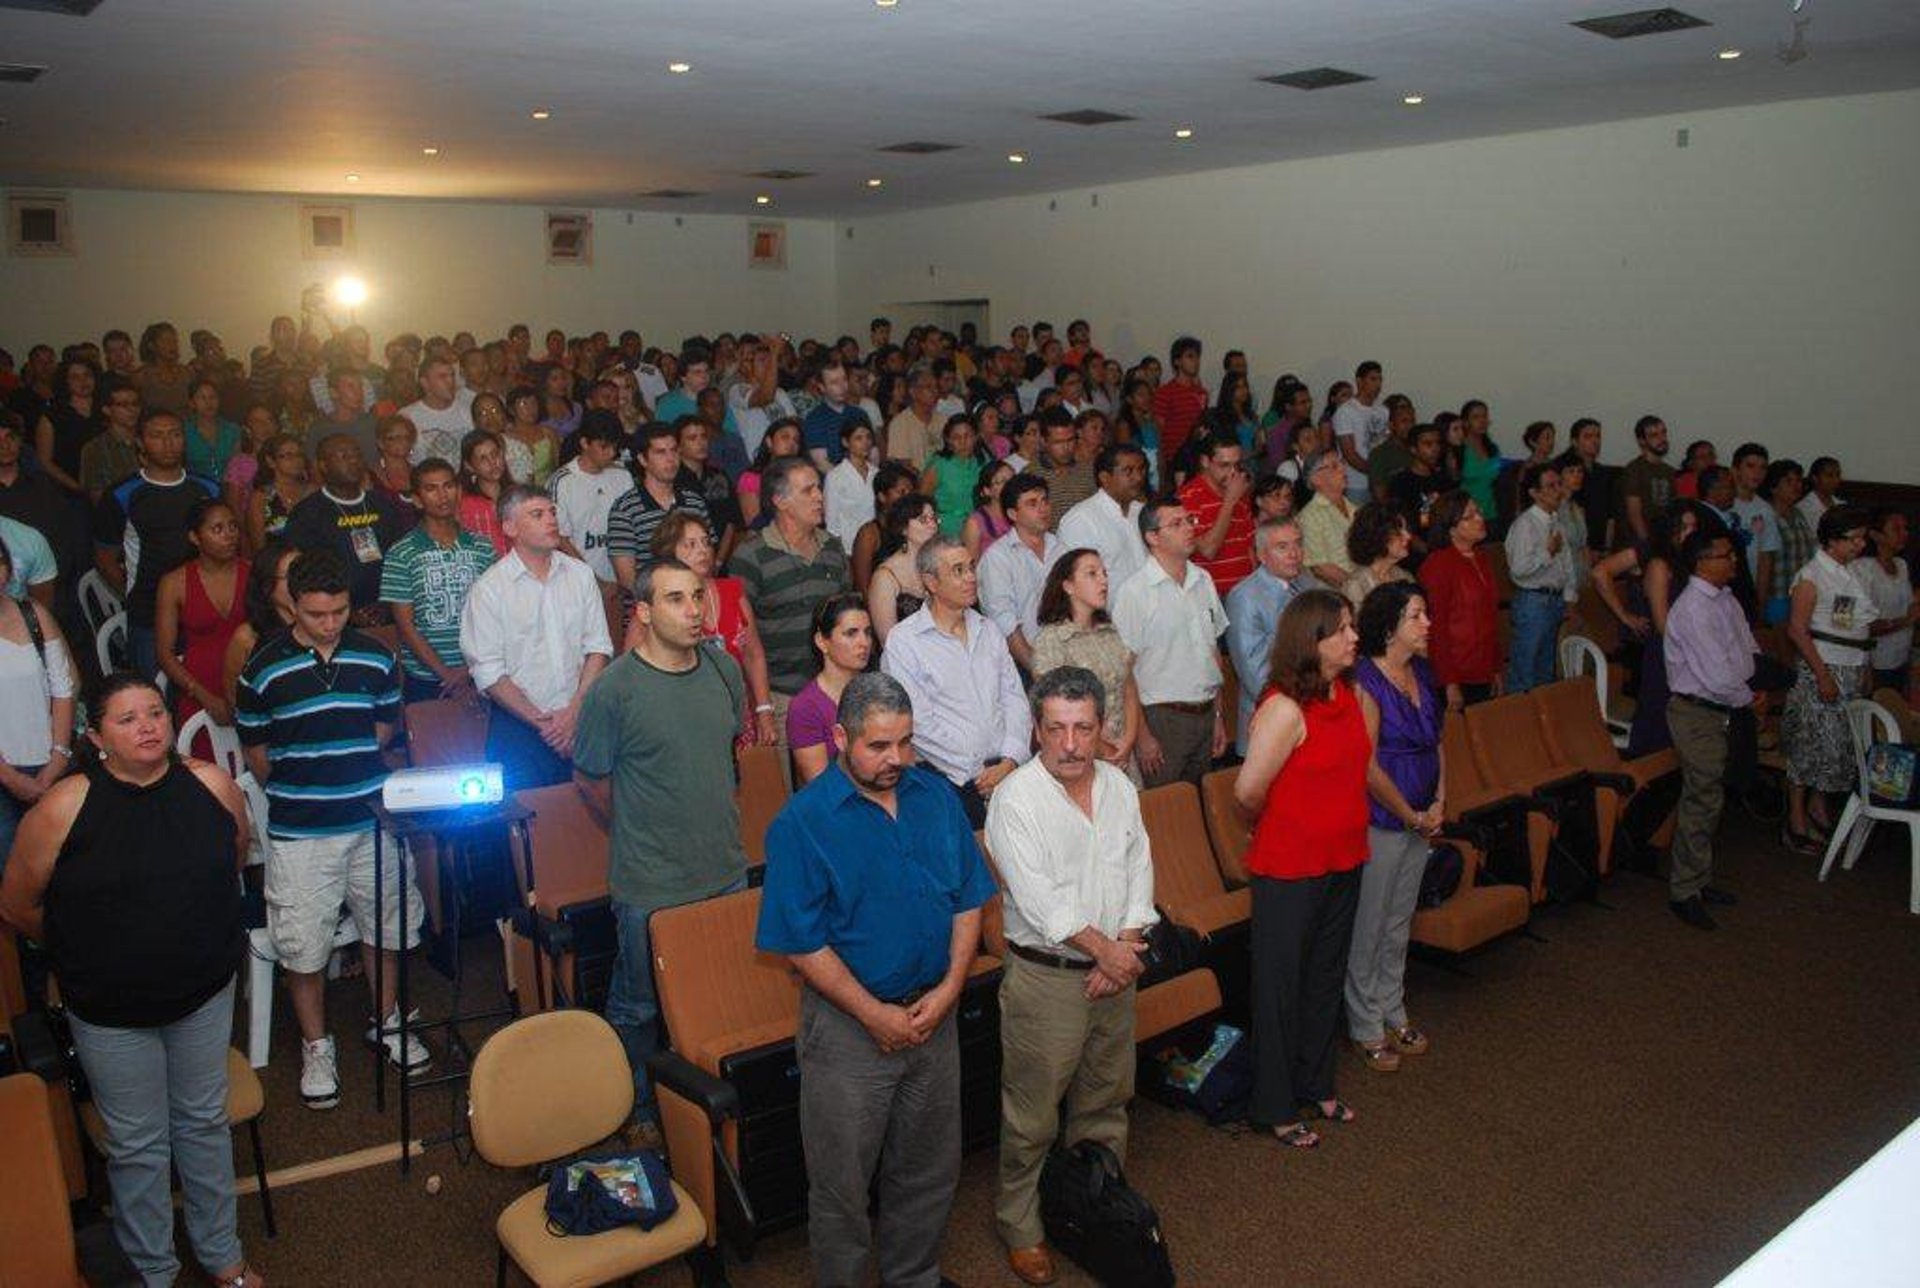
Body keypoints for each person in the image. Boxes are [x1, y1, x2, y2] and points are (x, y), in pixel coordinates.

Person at [0, 673, 260, 1288]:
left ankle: (222, 1256)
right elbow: (18, 905)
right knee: (139, 1143)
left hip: (202, 992)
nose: (147, 726)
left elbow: (233, 858)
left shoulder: (211, 785)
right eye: (127, 718)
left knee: (203, 1123)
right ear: (96, 737)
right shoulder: (62, 807)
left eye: (155, 713)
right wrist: (89, 949)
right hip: (110, 1009)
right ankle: (153, 1271)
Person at [755, 671, 996, 1288]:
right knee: (842, 1186)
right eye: (879, 746)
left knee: (928, 1168)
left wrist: (950, 989)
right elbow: (802, 943)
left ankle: (912, 1275)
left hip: (934, 1016)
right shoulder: (803, 823)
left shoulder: (934, 797)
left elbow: (969, 897)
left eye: (906, 743)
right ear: (840, 738)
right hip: (848, 1032)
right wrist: (873, 1014)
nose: (896, 759)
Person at [236, 552, 426, 1105]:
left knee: (385, 927)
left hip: (372, 820)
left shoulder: (375, 655)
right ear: (292, 604)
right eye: (316, 614)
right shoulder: (262, 667)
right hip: (301, 830)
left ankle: (386, 1020)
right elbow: (257, 754)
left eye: (339, 612)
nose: (329, 623)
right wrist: (307, 784)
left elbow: (384, 728)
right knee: (303, 946)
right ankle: (317, 1046)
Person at [986, 666, 1156, 1286]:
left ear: (1101, 727)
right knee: (1033, 1117)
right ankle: (1021, 1226)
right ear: (1036, 729)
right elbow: (1041, 903)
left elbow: (1139, 868)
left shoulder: (1119, 787)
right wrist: (1107, 953)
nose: (1070, 743)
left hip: (1115, 971)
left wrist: (1126, 947)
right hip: (1048, 979)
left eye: (1083, 728)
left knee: (1106, 1102)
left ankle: (1095, 1209)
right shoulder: (1015, 800)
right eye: (1056, 728)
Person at [575, 558, 750, 1118]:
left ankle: (702, 1121)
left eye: (697, 596)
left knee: (718, 1002)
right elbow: (590, 778)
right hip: (650, 882)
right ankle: (635, 1113)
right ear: (645, 613)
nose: (694, 610)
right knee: (638, 1007)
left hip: (723, 870)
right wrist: (635, 827)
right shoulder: (615, 690)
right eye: (676, 599)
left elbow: (726, 756)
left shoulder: (724, 670)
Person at [1234, 589, 1367, 1149]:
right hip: (1290, 866)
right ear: (1312, 641)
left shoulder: (1348, 694)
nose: (1354, 637)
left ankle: (1317, 1085)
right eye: (1342, 629)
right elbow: (1247, 792)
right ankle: (1274, 1105)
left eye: (1353, 626)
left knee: (1324, 977)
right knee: (1280, 987)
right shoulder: (1284, 708)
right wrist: (1281, 823)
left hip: (1345, 856)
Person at [1346, 582, 1443, 1069]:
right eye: (1416, 616)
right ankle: (1365, 1022)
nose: (1427, 624)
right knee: (1370, 923)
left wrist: (1440, 801)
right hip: (1383, 819)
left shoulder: (1421, 671)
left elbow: (1437, 741)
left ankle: (1392, 1007)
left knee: (1399, 920)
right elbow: (1365, 766)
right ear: (1390, 627)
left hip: (1421, 817)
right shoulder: (1366, 680)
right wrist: (1411, 814)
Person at [460, 484, 613, 789]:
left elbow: (598, 648)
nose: (551, 520)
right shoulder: (489, 590)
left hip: (582, 717)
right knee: (525, 816)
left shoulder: (580, 575)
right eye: (537, 514)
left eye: (552, 512)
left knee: (594, 814)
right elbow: (489, 672)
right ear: (510, 528)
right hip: (519, 726)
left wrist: (574, 713)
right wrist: (547, 724)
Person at [881, 535, 1031, 828]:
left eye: (971, 567)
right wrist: (977, 771)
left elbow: (1014, 698)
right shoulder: (905, 641)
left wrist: (1010, 760)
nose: (971, 577)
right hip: (945, 779)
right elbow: (918, 722)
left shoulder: (988, 630)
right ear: (931, 582)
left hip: (1007, 771)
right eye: (958, 570)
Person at [1662, 528, 1757, 930]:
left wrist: (1753, 685)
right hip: (1698, 712)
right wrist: (1748, 697)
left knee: (1712, 798)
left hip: (1726, 707)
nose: (1734, 560)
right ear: (1702, 562)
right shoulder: (1693, 609)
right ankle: (1684, 891)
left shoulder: (1726, 598)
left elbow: (1747, 649)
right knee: (1701, 799)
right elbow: (1716, 676)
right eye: (1726, 555)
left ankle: (1700, 880)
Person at [731, 456, 851, 745]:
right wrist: (761, 707)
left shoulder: (833, 548)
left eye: (819, 488)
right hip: (778, 695)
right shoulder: (751, 555)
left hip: (833, 689)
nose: (819, 496)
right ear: (780, 501)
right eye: (808, 490)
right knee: (782, 774)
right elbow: (742, 638)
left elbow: (847, 616)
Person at [95, 409, 223, 677]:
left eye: (175, 434)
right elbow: (106, 560)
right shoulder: (122, 494)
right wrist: (133, 594)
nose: (168, 443)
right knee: (152, 690)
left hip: (205, 607)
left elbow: (223, 546)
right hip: (148, 613)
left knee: (208, 683)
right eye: (157, 436)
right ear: (140, 442)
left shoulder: (207, 488)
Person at [1112, 497, 1229, 787]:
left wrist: (1218, 715)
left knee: (1202, 801)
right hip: (1163, 718)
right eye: (1176, 524)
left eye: (1189, 520)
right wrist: (1142, 736)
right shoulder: (1135, 592)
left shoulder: (1203, 579)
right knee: (1168, 807)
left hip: (1205, 711)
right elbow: (1123, 670)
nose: (1189, 528)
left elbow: (1213, 652)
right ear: (1152, 537)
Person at [1781, 507, 1878, 852]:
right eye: (1854, 539)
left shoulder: (1848, 572)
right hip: (1822, 667)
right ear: (1832, 540)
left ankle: (1818, 806)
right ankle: (1795, 816)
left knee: (1836, 746)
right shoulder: (1811, 576)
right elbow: (1797, 629)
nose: (1861, 544)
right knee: (1809, 743)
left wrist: (1864, 666)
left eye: (1862, 537)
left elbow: (1850, 624)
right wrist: (1822, 674)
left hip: (1849, 666)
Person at [644, 512, 778, 743]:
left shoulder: (732, 592)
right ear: (669, 554)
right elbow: (639, 670)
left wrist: (764, 710)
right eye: (690, 544)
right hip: (679, 721)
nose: (703, 550)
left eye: (706, 542)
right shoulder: (655, 605)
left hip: (737, 717)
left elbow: (753, 655)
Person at [378, 458, 496, 703]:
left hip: (479, 671)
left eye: (448, 486)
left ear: (459, 491)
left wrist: (469, 670)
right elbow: (405, 625)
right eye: (431, 489)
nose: (443, 495)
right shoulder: (401, 553)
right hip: (426, 678)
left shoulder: (483, 547)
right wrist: (446, 673)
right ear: (417, 499)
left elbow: (496, 613)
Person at [1592, 502, 1705, 756]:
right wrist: (1625, 616)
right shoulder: (1653, 553)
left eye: (1693, 527)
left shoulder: (1688, 556)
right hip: (1655, 640)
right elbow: (1600, 572)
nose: (1690, 532)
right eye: (1684, 527)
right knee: (1656, 709)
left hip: (1673, 639)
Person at [1031, 549, 1144, 784]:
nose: (1103, 581)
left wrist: (1129, 740)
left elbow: (1129, 689)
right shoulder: (1052, 640)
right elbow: (1055, 711)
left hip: (1123, 752)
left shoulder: (1110, 633)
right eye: (1092, 574)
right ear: (1068, 586)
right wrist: (1105, 750)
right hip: (1078, 757)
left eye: (1104, 573)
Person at [281, 433, 410, 620]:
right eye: (343, 456)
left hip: (391, 610)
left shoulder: (382, 504)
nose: (353, 460)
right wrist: (342, 612)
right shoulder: (307, 513)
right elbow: (301, 574)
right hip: (333, 618)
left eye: (357, 454)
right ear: (323, 465)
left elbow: (402, 558)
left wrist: (390, 605)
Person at [0, 542, 75, 864]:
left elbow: (63, 688)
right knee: (12, 872)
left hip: (48, 763)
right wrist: (9, 777)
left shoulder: (34, 614)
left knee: (61, 866)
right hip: (4, 776)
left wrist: (58, 756)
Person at [154, 497, 249, 732]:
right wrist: (203, 696)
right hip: (199, 687)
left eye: (233, 526)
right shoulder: (174, 583)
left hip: (250, 679)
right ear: (195, 538)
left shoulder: (254, 572)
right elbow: (164, 653)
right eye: (217, 529)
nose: (229, 535)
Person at [1226, 516, 1317, 756]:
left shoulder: (1309, 584)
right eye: (1282, 547)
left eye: (1298, 543)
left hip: (1314, 715)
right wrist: (1305, 702)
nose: (1294, 554)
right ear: (1261, 555)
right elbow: (1255, 675)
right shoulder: (1245, 597)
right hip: (1270, 723)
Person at [1416, 491, 1500, 711]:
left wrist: (1495, 667)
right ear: (1451, 529)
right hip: (1456, 670)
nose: (1480, 518)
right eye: (1470, 516)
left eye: (1478, 512)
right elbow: (1436, 628)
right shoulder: (1437, 565)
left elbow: (1491, 616)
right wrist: (1449, 681)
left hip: (1483, 665)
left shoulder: (1481, 557)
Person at [607, 422, 711, 595]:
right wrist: (667, 600)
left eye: (674, 450)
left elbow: (708, 558)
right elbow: (626, 578)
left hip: (695, 598)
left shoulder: (695, 502)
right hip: (648, 605)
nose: (671, 459)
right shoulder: (625, 509)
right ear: (642, 459)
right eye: (660, 452)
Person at [1502, 462, 1577, 694]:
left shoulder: (1556, 521)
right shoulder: (1525, 525)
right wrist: (1547, 552)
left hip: (1553, 601)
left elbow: (1566, 562)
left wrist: (1569, 596)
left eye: (1559, 484)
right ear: (1534, 493)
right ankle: (1518, 716)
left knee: (1545, 671)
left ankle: (1542, 716)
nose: (1558, 491)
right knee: (1525, 670)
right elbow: (1518, 569)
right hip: (1533, 602)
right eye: (1550, 486)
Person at [788, 592, 875, 784]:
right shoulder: (805, 707)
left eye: (868, 632)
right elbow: (822, 787)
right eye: (851, 633)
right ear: (821, 641)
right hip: (840, 800)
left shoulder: (878, 691)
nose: (864, 642)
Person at [976, 473, 1061, 670]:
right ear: (1013, 514)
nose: (1043, 508)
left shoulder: (1061, 548)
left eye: (1044, 500)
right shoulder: (997, 558)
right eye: (1032, 503)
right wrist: (1036, 669)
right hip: (1020, 663)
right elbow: (1005, 622)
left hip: (1066, 656)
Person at [548, 409, 633, 600]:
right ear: (585, 443)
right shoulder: (562, 482)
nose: (611, 453)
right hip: (578, 586)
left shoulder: (623, 476)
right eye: (604, 447)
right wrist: (595, 581)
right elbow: (560, 539)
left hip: (621, 583)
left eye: (614, 447)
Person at [1057, 442, 1149, 591]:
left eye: (1141, 469)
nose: (1138, 477)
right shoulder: (1080, 520)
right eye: (1128, 471)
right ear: (1105, 478)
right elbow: (1079, 583)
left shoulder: (1143, 512)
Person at [1179, 432, 1257, 598]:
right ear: (1205, 461)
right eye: (1224, 465)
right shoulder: (1187, 498)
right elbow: (1208, 550)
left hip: (1246, 592)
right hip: (1212, 595)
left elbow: (1250, 548)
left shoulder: (1240, 492)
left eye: (1237, 465)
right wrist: (1230, 501)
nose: (1233, 472)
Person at [867, 492, 941, 645]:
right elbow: (888, 642)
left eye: (934, 519)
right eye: (923, 520)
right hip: (902, 656)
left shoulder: (939, 565)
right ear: (903, 528)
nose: (933, 525)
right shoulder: (885, 577)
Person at [1857, 507, 1917, 694]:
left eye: (1905, 528)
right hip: (1877, 663)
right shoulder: (1863, 569)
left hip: (1902, 657)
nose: (1904, 534)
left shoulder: (1901, 564)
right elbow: (1861, 626)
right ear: (1876, 535)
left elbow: (1908, 606)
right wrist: (1905, 621)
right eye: (1896, 529)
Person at [851, 460, 920, 595]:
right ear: (882, 496)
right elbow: (862, 587)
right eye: (902, 492)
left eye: (910, 492)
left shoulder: (912, 530)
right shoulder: (869, 534)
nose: (908, 498)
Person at [1296, 449, 1358, 588]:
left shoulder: (1354, 508)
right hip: (1335, 593)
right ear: (1316, 479)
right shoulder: (1310, 516)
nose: (1343, 468)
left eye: (1342, 463)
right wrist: (1359, 587)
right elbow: (1320, 569)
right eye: (1335, 466)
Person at [1765, 458, 1816, 625]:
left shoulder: (1799, 514)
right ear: (1773, 487)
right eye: (1789, 481)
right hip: (1776, 595)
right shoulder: (1766, 515)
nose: (1796, 486)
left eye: (1798, 481)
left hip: (1801, 594)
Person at [399, 356, 475, 465]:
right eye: (442, 376)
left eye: (452, 375)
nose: (450, 381)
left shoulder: (468, 410)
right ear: (425, 383)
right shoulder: (407, 417)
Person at [1150, 336, 1208, 481]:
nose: (1196, 361)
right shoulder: (1165, 392)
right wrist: (1161, 461)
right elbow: (1158, 431)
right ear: (1177, 361)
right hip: (1174, 460)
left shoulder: (1202, 392)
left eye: (1197, 357)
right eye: (1190, 356)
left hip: (1198, 458)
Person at [1331, 360, 1389, 504]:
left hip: (1379, 482)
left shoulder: (1383, 410)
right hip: (1355, 483)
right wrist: (1375, 472)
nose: (1378, 384)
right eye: (1373, 379)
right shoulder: (1346, 412)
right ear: (1359, 381)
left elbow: (1385, 443)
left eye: (1380, 379)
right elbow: (1349, 454)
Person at [243, 432, 311, 553]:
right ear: (271, 461)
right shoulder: (261, 498)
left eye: (299, 455)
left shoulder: (314, 492)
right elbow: (259, 547)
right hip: (275, 561)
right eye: (288, 455)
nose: (297, 460)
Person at [1342, 501, 1415, 609]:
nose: (1408, 536)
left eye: (1406, 529)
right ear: (1378, 537)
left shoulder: (1405, 577)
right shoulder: (1357, 585)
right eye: (1398, 532)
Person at [920, 414, 984, 537]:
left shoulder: (981, 462)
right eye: (956, 437)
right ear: (948, 440)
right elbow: (921, 501)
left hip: (976, 526)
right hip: (944, 529)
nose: (963, 442)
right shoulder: (938, 465)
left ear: (976, 437)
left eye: (967, 436)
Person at [81, 380, 144, 501]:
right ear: (107, 410)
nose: (132, 409)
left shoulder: (149, 439)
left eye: (135, 404)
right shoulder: (95, 449)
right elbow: (98, 497)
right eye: (123, 405)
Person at [1617, 415, 1675, 544]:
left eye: (1664, 432)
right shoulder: (1634, 470)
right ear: (1641, 441)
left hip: (1664, 539)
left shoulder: (1670, 471)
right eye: (1654, 435)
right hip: (1638, 543)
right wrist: (1646, 544)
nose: (1662, 439)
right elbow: (1634, 514)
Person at [824, 418, 879, 553]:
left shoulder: (876, 473)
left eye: (868, 437)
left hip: (876, 546)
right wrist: (838, 554)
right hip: (848, 549)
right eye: (858, 438)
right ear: (845, 442)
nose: (865, 443)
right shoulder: (835, 476)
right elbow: (831, 522)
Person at [456, 428, 514, 557]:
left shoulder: (519, 496)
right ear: (469, 466)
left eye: (495, 454)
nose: (492, 462)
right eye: (483, 459)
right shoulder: (464, 504)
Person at [738, 418, 804, 529]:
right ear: (769, 442)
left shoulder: (802, 475)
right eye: (785, 437)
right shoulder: (751, 478)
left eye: (796, 440)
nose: (791, 443)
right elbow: (753, 523)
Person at [182, 377, 245, 482]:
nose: (209, 402)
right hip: (193, 486)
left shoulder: (232, 430)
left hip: (228, 486)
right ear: (192, 403)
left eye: (213, 397)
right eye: (202, 398)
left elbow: (236, 467)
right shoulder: (183, 431)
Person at [1453, 400, 1501, 524]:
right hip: (1467, 516)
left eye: (1484, 416)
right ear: (1465, 422)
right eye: (1476, 417)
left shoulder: (1493, 449)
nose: (1482, 421)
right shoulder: (1459, 449)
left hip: (1492, 513)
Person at [961, 459, 1016, 561]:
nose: (1010, 485)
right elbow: (971, 564)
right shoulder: (975, 522)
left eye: (1013, 480)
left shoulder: (1022, 513)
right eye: (1002, 481)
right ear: (987, 491)